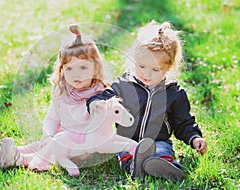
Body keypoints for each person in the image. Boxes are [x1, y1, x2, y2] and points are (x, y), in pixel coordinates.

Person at [0, 24, 137, 175]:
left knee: (49, 149)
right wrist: (48, 134)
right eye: (69, 68)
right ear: (61, 70)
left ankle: (17, 159)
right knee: (39, 145)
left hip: (86, 148)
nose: (75, 74)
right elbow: (52, 118)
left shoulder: (101, 94)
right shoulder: (62, 91)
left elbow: (102, 128)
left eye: (83, 67)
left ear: (95, 68)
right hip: (63, 139)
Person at [86, 21, 208, 182]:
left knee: (161, 150)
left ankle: (165, 166)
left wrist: (194, 137)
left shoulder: (173, 93)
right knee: (126, 151)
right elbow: (106, 95)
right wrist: (95, 103)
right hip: (127, 140)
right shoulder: (125, 85)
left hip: (157, 140)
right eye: (141, 66)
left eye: (155, 70)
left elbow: (183, 121)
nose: (147, 74)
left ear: (168, 68)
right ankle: (134, 165)